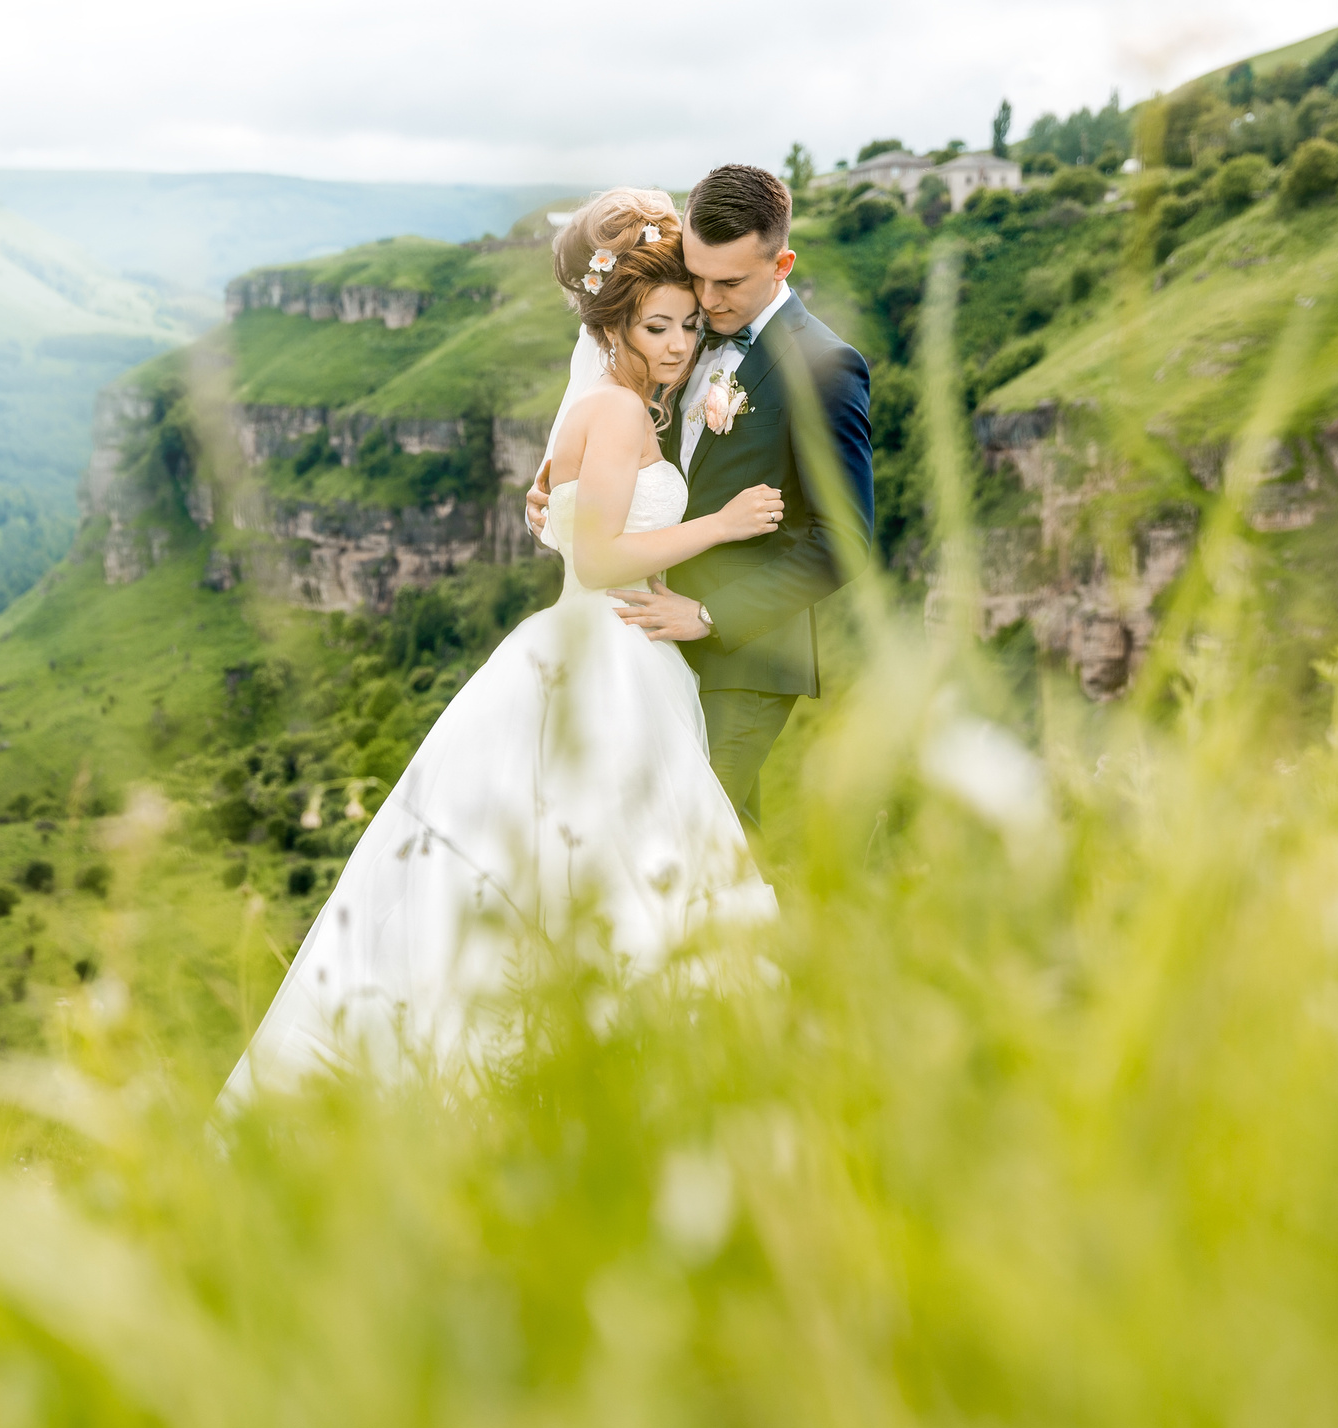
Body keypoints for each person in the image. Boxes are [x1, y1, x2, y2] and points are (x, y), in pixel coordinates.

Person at [221, 190, 781, 1103]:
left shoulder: (598, 406)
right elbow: (599, 558)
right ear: (612, 325)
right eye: (659, 326)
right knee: (615, 856)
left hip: (590, 644)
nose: (682, 344)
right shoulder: (621, 414)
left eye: (687, 324)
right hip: (609, 655)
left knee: (561, 860)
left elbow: (564, 521)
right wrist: (721, 523)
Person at [528, 165, 874, 829]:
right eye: (697, 275)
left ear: (782, 265)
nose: (707, 301)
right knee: (697, 851)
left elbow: (842, 542)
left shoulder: (826, 366)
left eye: (729, 284)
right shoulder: (680, 330)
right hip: (650, 644)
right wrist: (561, 498)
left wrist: (710, 615)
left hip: (745, 656)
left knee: (685, 835)